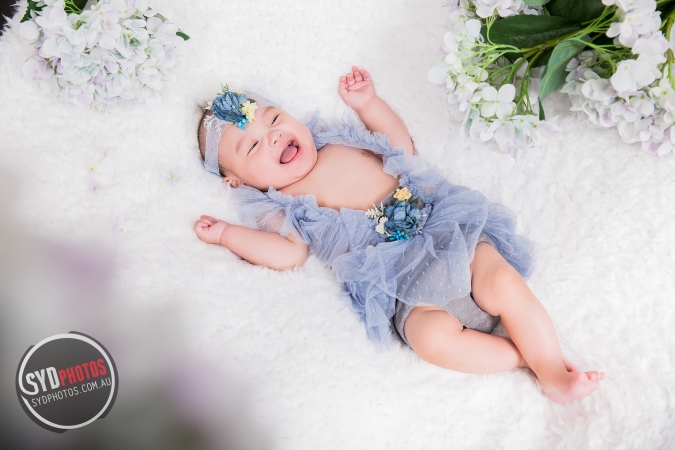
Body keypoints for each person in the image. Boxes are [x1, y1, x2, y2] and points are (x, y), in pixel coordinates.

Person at [193, 66, 604, 403]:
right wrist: (229, 234)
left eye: (275, 119)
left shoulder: (336, 140)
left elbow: (400, 146)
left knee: (501, 281)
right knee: (429, 339)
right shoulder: (278, 205)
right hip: (401, 284)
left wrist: (367, 104)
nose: (273, 137)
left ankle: (552, 371)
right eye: (252, 148)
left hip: (443, 234)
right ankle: (523, 358)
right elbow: (288, 254)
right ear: (236, 181)